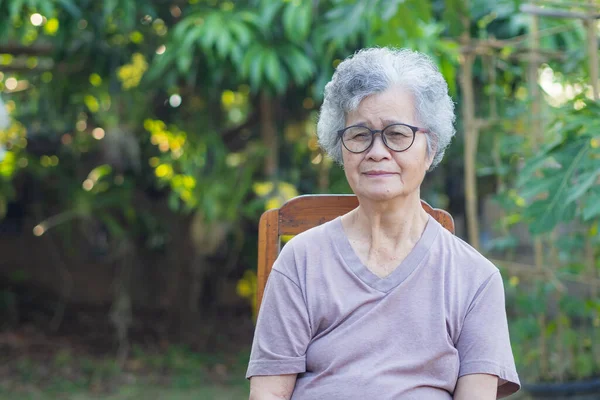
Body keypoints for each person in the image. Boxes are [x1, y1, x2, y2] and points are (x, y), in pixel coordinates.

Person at [246, 47, 520, 399]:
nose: (377, 151)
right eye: (359, 135)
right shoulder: (300, 262)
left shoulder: (475, 279)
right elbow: (268, 394)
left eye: (397, 134)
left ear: (430, 147)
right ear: (340, 148)